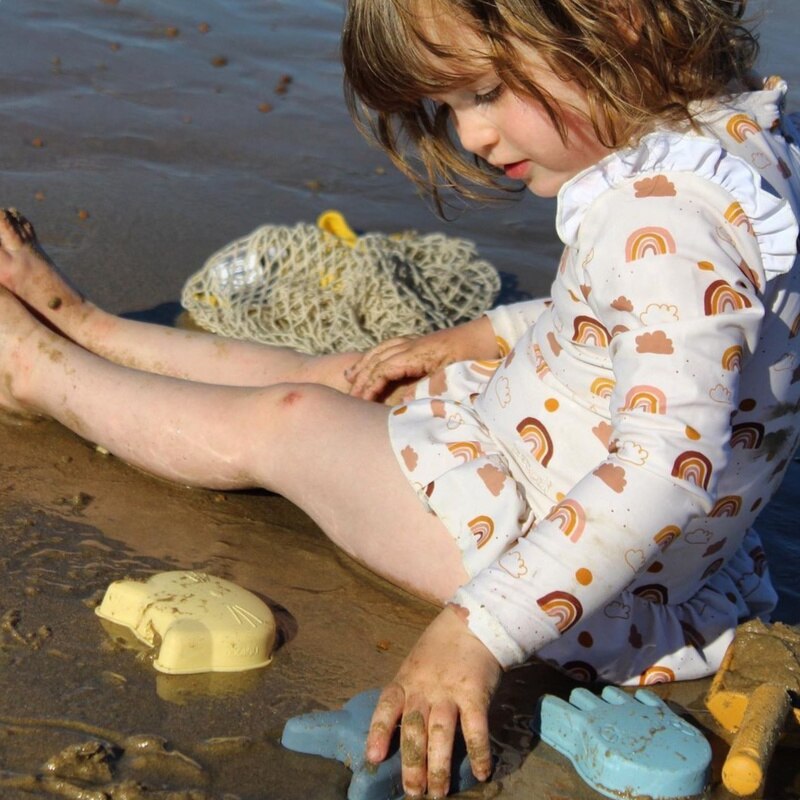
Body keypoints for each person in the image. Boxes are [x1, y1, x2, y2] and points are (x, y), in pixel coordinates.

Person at [1, 0, 799, 795]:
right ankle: (90, 327)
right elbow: (631, 326)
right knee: (352, 375)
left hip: (532, 549)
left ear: (616, 16)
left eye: (481, 94)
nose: (470, 137)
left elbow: (663, 468)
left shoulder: (662, 217)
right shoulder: (727, 146)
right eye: (450, 108)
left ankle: (36, 373)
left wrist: (473, 634)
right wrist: (477, 338)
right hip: (538, 449)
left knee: (292, 422)